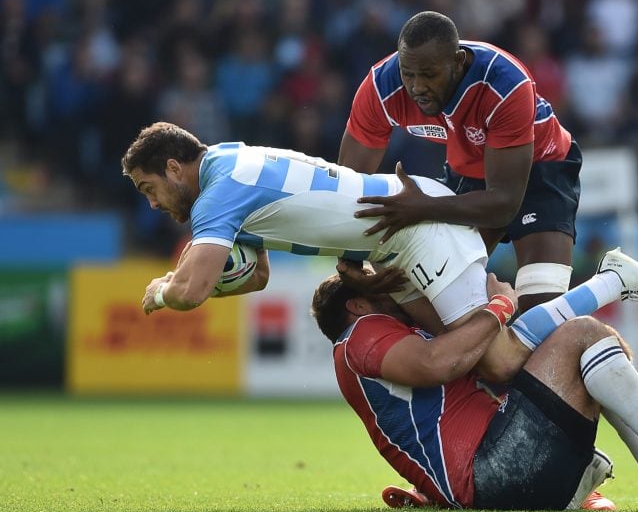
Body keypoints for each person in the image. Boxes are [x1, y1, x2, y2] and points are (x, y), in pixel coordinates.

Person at [311, 249, 638, 512]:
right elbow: (435, 363)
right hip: (492, 472)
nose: (389, 292)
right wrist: (499, 305)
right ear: (355, 307)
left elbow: (501, 355)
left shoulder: (383, 338)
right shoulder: (359, 337)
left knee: (596, 344)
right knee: (583, 335)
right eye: (376, 290)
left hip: (496, 470)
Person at [124, 121, 556, 380]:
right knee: (466, 351)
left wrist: (162, 291)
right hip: (392, 243)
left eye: (150, 189)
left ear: (174, 168)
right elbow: (256, 276)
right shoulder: (229, 161)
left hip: (416, 225)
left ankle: (606, 286)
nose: (153, 204)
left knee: (496, 360)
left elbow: (192, 289)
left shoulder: (219, 195)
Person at [337, 11, 583, 313]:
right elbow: (347, 184)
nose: (416, 87)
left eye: (429, 75)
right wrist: (349, 260)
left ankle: (612, 280)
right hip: (468, 173)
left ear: (458, 62)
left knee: (544, 310)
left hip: (542, 166)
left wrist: (422, 207)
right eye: (408, 74)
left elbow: (503, 204)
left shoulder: (505, 83)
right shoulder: (380, 87)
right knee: (436, 308)